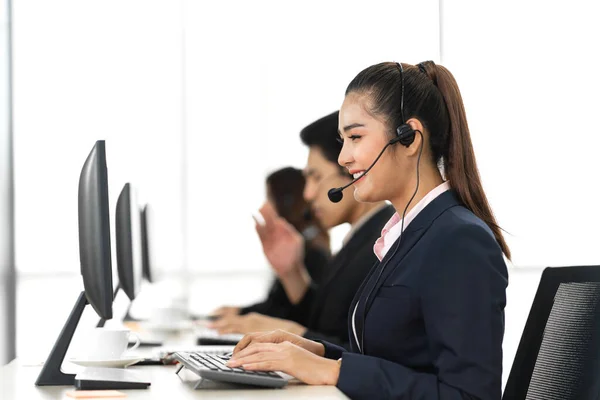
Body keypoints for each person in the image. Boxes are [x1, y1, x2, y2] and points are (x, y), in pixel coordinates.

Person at [227, 61, 510, 400]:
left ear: (409, 139)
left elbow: (470, 395)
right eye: (342, 140)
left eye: (355, 137)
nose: (344, 158)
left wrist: (333, 370)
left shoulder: (459, 239)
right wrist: (316, 351)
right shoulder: (406, 234)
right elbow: (394, 361)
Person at [209, 111, 395, 349]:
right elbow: (324, 321)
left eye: (316, 177)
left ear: (354, 168)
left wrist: (289, 331)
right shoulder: (361, 236)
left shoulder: (386, 241)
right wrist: (292, 273)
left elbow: (364, 350)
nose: (307, 194)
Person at [212, 167, 330, 320]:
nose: (263, 207)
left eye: (269, 198)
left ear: (286, 202)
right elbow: (278, 304)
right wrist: (240, 311)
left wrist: (241, 313)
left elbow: (291, 313)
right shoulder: (305, 245)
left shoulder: (312, 253)